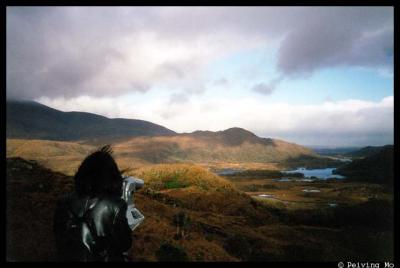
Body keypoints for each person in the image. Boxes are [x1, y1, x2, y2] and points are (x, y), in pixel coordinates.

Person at [53, 145, 132, 261]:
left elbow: (59, 238)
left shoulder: (63, 202)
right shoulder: (115, 206)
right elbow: (125, 244)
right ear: (112, 176)